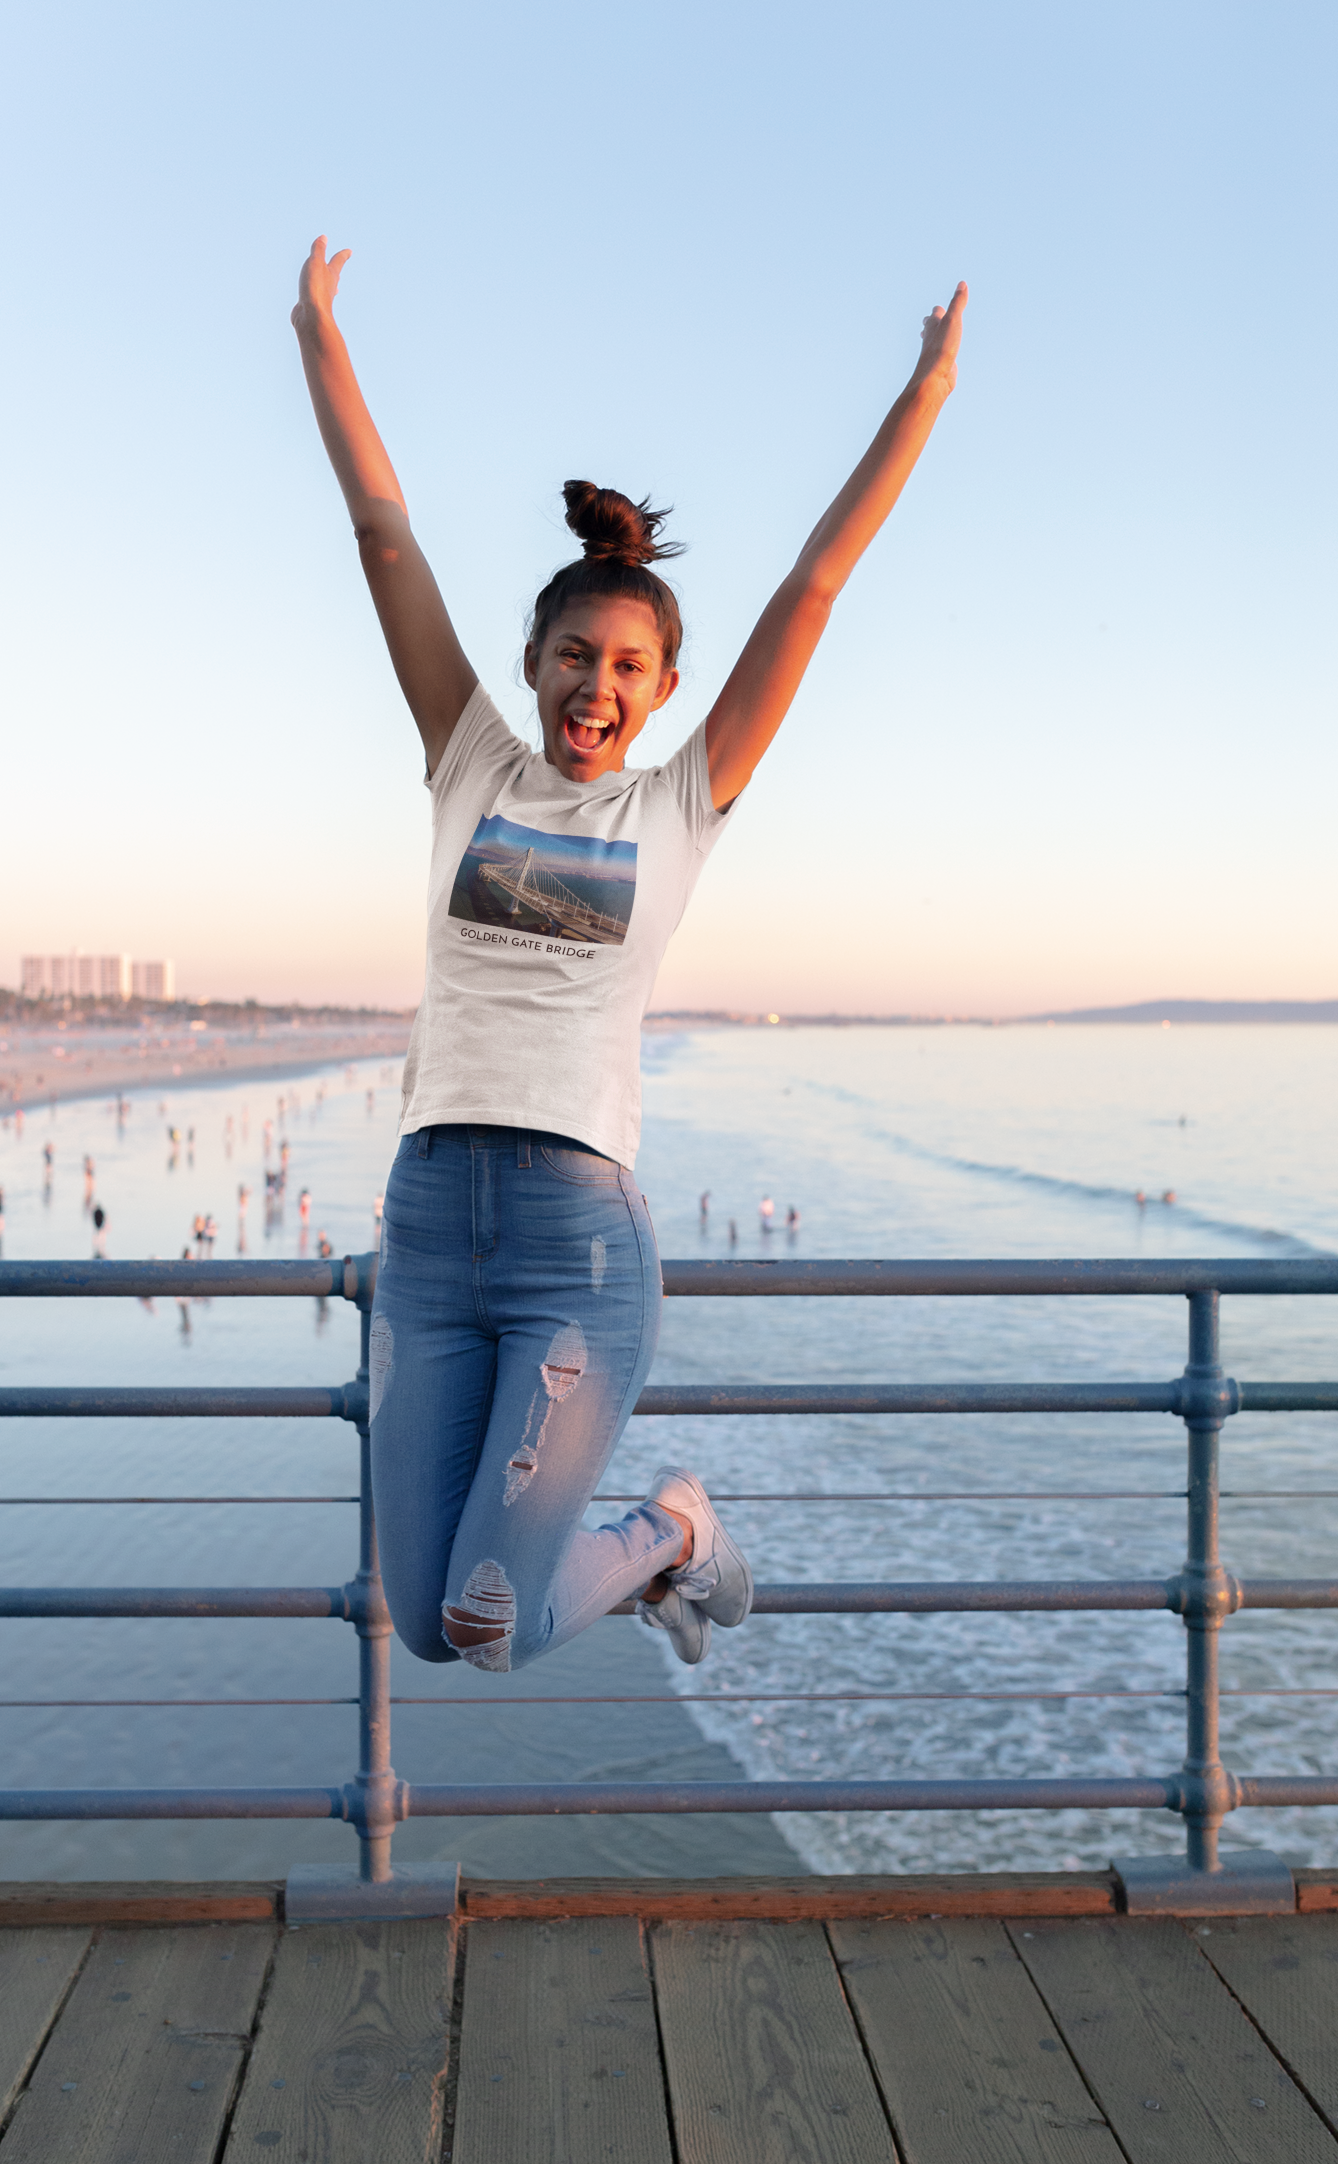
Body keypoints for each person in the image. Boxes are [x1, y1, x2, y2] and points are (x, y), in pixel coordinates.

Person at [293, 234, 965, 1671]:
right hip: (424, 1222)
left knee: (492, 1624)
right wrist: (318, 335)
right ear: (532, 663)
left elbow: (813, 588)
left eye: (627, 668)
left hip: (573, 1243)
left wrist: (924, 394)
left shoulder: (678, 805)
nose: (596, 686)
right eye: (573, 656)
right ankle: (655, 1554)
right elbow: (385, 538)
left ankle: (675, 1534)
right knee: (424, 1622)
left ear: (661, 693)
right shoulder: (469, 759)